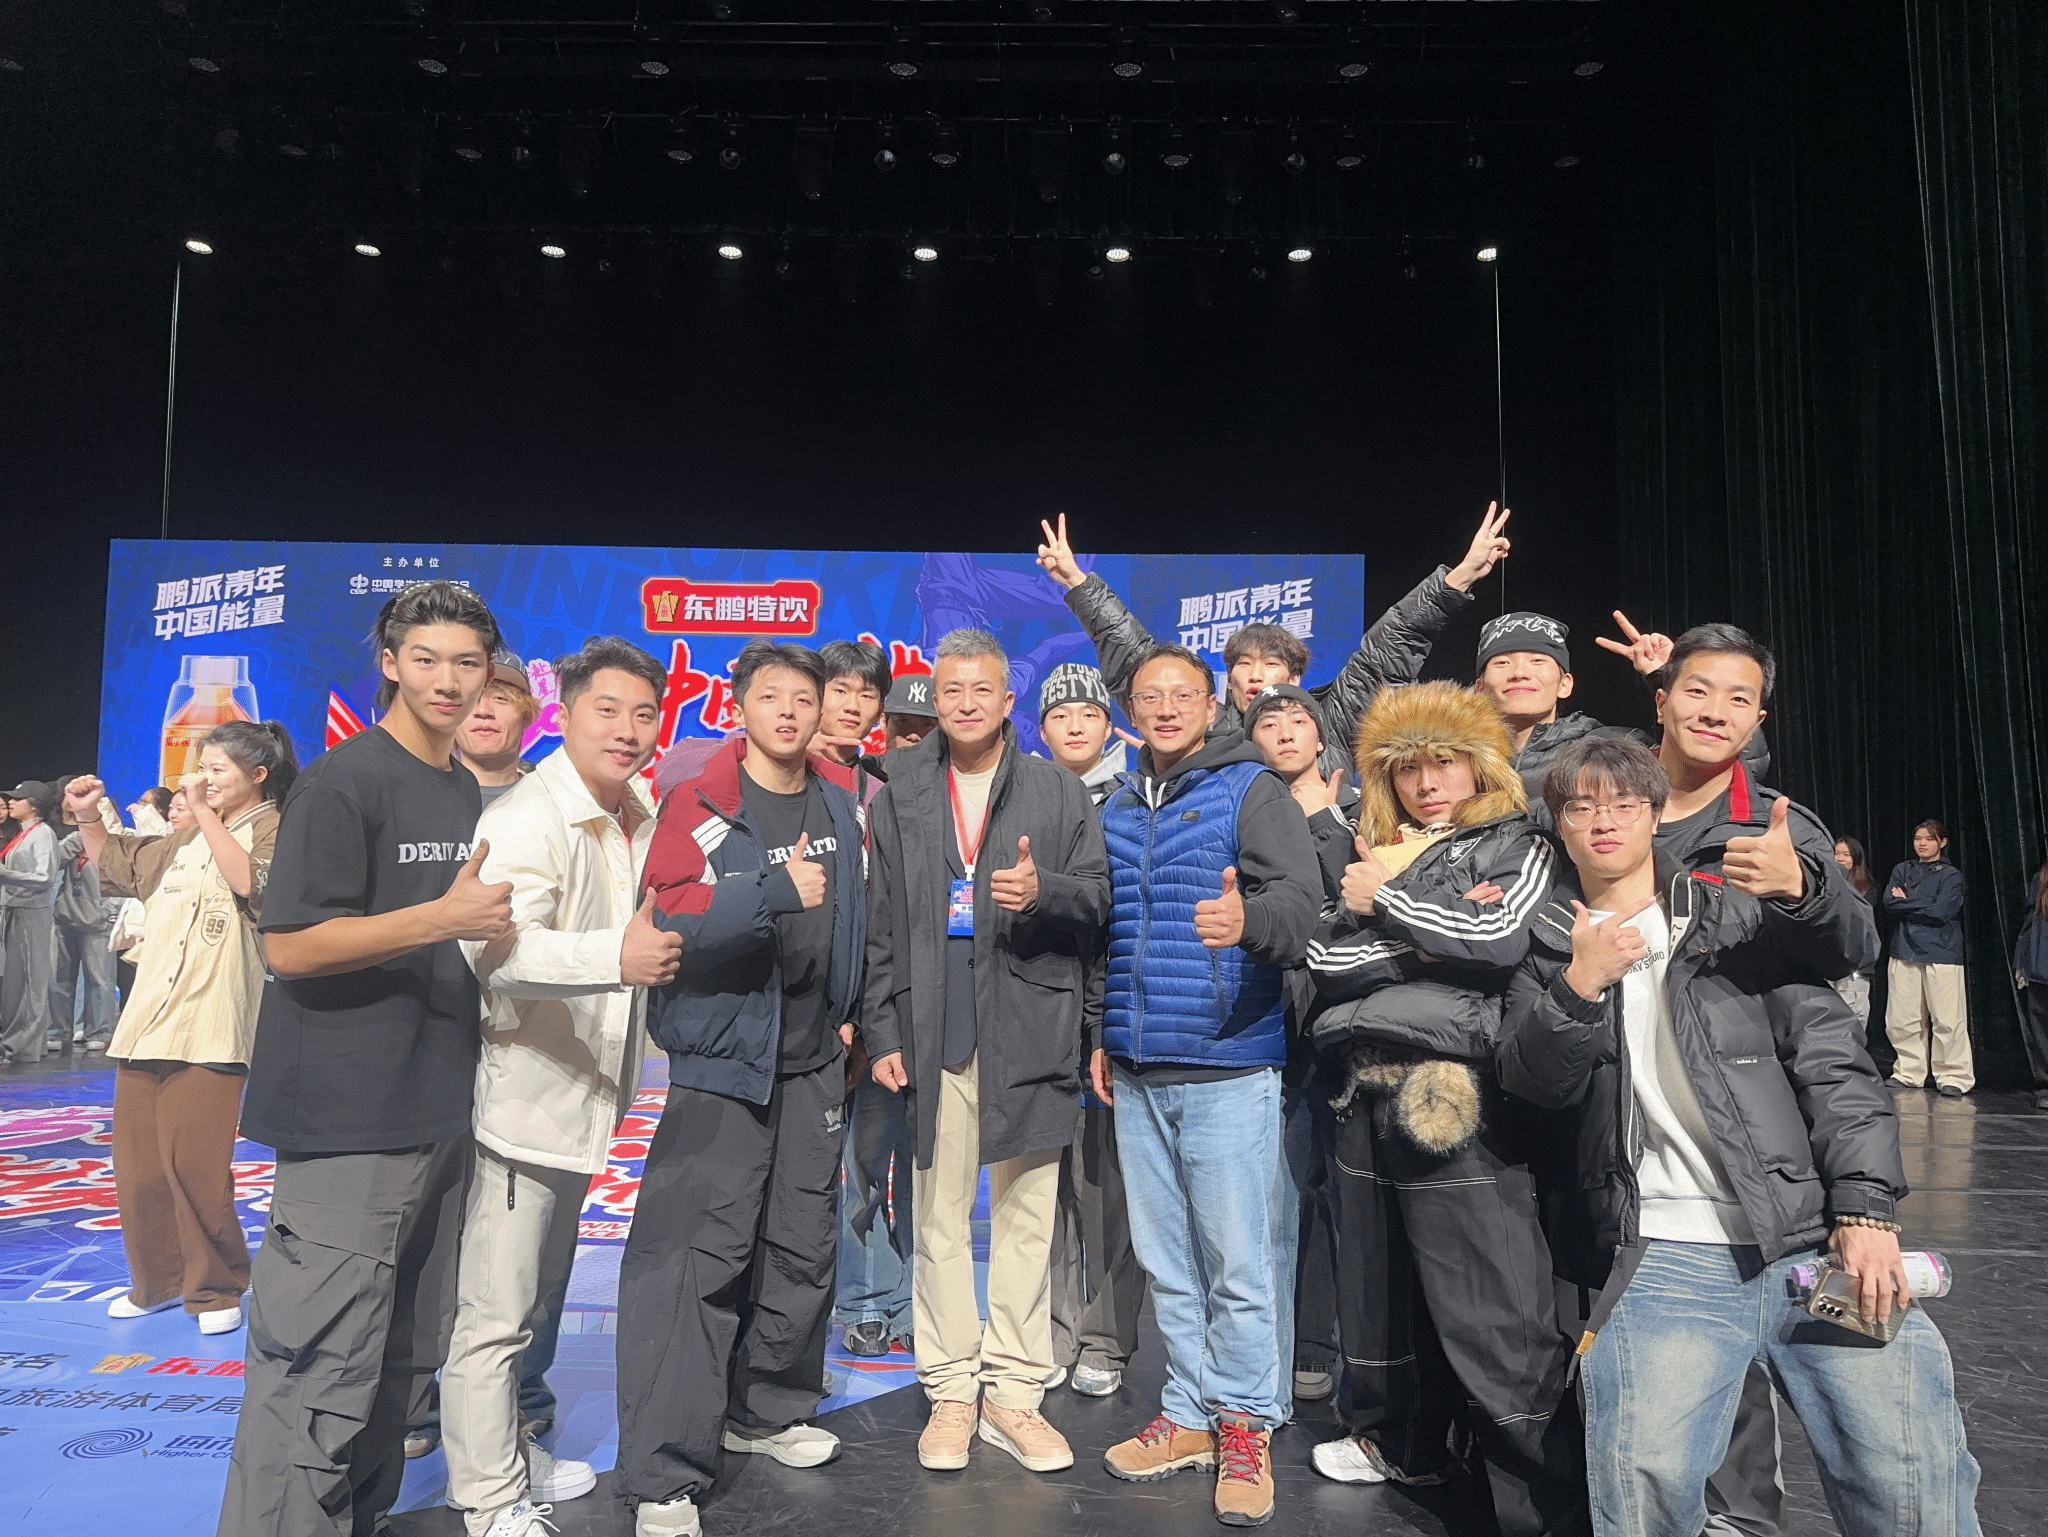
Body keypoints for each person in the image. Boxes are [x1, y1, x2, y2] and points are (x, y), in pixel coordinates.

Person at [1499, 736, 1981, 1537]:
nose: (1604, 819)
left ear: (1657, 813)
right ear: (1559, 824)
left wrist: (1865, 1212)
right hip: (1663, 1253)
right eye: (1581, 806)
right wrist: (1579, 984)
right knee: (1641, 1487)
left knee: (1911, 1476)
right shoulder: (1547, 947)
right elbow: (1533, 1084)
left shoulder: (1738, 919)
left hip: (1811, 1242)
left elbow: (1835, 1068)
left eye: (1624, 802)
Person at [218, 580, 515, 1537]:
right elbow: (290, 944)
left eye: (466, 662)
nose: (447, 680)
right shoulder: (344, 781)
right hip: (347, 1121)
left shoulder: (458, 783)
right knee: (314, 1365)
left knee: (398, 1360)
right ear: (390, 663)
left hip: (435, 1106)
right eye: (425, 659)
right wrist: (440, 917)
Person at [1303, 682, 1583, 1537]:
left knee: (1490, 1306)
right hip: (1364, 1089)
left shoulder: (1518, 840)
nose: (1427, 783)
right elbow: (1324, 957)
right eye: (1408, 769)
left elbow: (1498, 942)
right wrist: (1430, 931)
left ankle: (1543, 1503)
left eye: (1445, 763)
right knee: (1381, 1296)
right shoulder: (1381, 850)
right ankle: (1404, 1445)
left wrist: (1388, 905)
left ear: (1480, 763)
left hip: (1459, 1094)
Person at [625, 640, 869, 1537]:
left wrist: (851, 1014)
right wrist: (770, 890)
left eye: (805, 697)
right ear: (739, 706)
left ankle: (765, 1410)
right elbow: (669, 917)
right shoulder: (701, 799)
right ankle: (664, 1472)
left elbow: (859, 919)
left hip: (812, 1061)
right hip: (722, 1065)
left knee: (802, 1246)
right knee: (696, 1264)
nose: (790, 711)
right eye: (772, 696)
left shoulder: (839, 803)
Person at [861, 629, 1111, 1475]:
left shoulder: (1056, 789)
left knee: (1026, 1217)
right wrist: (884, 1030)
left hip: (1031, 1027)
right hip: (933, 1030)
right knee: (936, 1217)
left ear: (1009, 701)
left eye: (982, 690)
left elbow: (1098, 899)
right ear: (935, 699)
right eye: (951, 690)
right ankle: (950, 1389)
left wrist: (1046, 892)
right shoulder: (901, 789)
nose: (965, 703)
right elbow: (882, 923)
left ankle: (1013, 1391)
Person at [440, 637, 670, 1537]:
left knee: (537, 1303)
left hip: (588, 1098)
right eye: (606, 709)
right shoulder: (531, 815)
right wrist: (616, 956)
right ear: (564, 714)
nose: (626, 730)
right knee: (494, 1313)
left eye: (643, 713)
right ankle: (486, 1495)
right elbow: (490, 949)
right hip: (523, 1100)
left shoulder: (638, 810)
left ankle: (507, 1447)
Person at [1088, 643, 1320, 1528]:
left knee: (1237, 1263)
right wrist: (1102, 1034)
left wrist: (1247, 917)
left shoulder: (1251, 788)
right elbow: (1109, 934)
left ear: (1212, 702)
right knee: (1168, 1261)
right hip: (1138, 1066)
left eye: (1182, 693)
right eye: (1149, 695)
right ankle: (1188, 1412)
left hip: (1229, 1061)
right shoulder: (1117, 804)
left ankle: (1245, 1424)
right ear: (1131, 709)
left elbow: (1302, 906)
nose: (1165, 707)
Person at [62, 724, 297, 1333]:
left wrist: (202, 814)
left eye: (218, 770)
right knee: (138, 1166)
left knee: (196, 1164)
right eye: (202, 767)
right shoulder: (186, 838)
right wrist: (88, 817)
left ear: (258, 776)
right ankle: (158, 1283)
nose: (203, 779)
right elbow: (122, 866)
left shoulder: (277, 827)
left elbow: (253, 884)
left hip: (214, 1019)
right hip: (149, 1020)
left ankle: (216, 1288)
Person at [1035, 505, 1511, 775]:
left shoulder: (1330, 719)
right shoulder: (1203, 726)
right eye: (1243, 665)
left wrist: (1459, 577)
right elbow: (1135, 658)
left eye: (1270, 664)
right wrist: (1078, 582)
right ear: (1226, 680)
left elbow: (1389, 647)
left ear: (1296, 677)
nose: (1256, 675)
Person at [1034, 662, 1147, 1398]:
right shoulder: (1021, 795)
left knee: (1106, 1187)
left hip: (1110, 1013)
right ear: (1040, 727)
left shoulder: (1136, 799)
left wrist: (1106, 1017)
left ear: (1110, 725)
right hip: (1035, 1013)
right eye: (1060, 714)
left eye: (1089, 713)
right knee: (1039, 1189)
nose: (1075, 725)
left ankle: (1106, 1335)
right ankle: (1050, 1327)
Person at [1239, 683, 1352, 1408]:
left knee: (1336, 1200)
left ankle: (1316, 1343)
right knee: (1269, 1201)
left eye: (1298, 719)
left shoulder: (1358, 810)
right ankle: (1266, 1354)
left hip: (1340, 1031)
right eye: (1268, 722)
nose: (1284, 731)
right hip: (1263, 1029)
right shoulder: (1240, 808)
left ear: (1320, 735)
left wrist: (1328, 823)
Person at [1883, 819, 1973, 1097]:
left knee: (1947, 1018)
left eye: (1929, 839)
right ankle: (1909, 1072)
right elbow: (1889, 903)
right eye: (1918, 838)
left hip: (1942, 952)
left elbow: (1940, 912)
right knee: (1902, 1017)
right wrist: (1919, 903)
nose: (1922, 844)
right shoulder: (1902, 870)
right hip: (1904, 949)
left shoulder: (1951, 875)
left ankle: (1953, 1075)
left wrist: (1906, 902)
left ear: (1942, 842)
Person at [49, 794, 120, 1054]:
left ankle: (99, 1032)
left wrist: (111, 910)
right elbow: (53, 861)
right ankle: (57, 1031)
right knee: (59, 978)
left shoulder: (116, 841)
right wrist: (80, 834)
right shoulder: (75, 839)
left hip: (99, 921)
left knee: (99, 981)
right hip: (66, 916)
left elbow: (123, 879)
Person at [0, 781, 61, 1065]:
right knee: (17, 983)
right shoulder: (25, 833)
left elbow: (45, 877)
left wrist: (6, 874)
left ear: (34, 805)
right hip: (17, 910)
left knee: (27, 982)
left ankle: (22, 1048)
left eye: (19, 798)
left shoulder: (43, 834)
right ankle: (19, 1045)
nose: (11, 802)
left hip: (31, 914)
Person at [457, 649, 541, 809]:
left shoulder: (556, 805)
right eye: (471, 697)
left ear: (526, 716)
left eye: (500, 698)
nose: (483, 711)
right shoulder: (416, 799)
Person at [812, 637, 894, 793]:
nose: (852, 707)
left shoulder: (878, 792)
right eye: (840, 691)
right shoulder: (784, 768)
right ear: (815, 696)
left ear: (879, 712)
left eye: (866, 696)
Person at [1830, 838, 1878, 1025]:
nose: (1840, 858)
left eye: (1846, 854)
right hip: (1828, 960)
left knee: (1852, 1016)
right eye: (1836, 853)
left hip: (1854, 963)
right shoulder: (1822, 884)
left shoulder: (1866, 889)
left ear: (1856, 858)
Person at [2015, 852, 2048, 1112]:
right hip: (2040, 968)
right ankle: (2045, 1087)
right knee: (2041, 1032)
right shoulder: (2041, 878)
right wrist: (2022, 963)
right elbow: (2029, 924)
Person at [881, 671, 938, 755]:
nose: (913, 736)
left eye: (928, 724)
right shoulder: (867, 763)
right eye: (903, 721)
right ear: (884, 723)